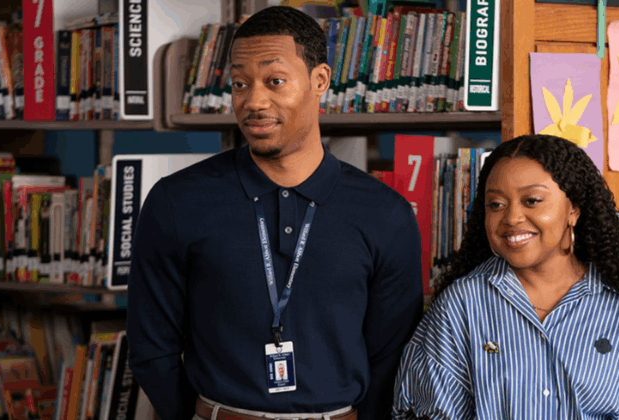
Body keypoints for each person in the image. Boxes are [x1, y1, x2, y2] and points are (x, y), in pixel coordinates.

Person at [127, 6, 423, 420]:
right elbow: (150, 346)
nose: (253, 101)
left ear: (319, 81)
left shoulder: (385, 214)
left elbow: (392, 359)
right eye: (240, 83)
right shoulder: (176, 202)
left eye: (275, 81)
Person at [392, 134, 619, 419]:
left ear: (573, 209)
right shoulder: (462, 305)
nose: (511, 218)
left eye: (532, 201)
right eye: (496, 204)